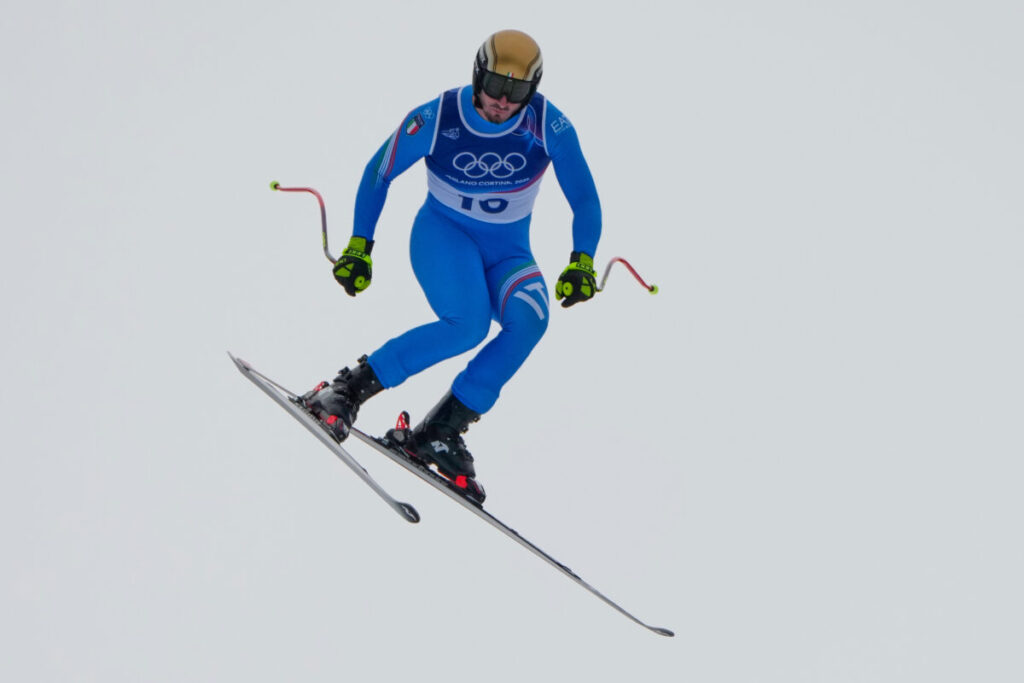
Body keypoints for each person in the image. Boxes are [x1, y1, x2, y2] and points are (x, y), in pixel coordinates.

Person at [302, 29, 601, 504]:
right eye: (495, 88)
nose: (503, 102)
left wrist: (583, 260)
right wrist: (360, 244)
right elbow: (380, 170)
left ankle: (440, 432)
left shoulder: (549, 125)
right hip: (444, 237)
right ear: (477, 75)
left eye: (517, 93)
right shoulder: (439, 116)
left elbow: (584, 197)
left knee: (531, 320)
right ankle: (344, 391)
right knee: (467, 325)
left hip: (507, 252)